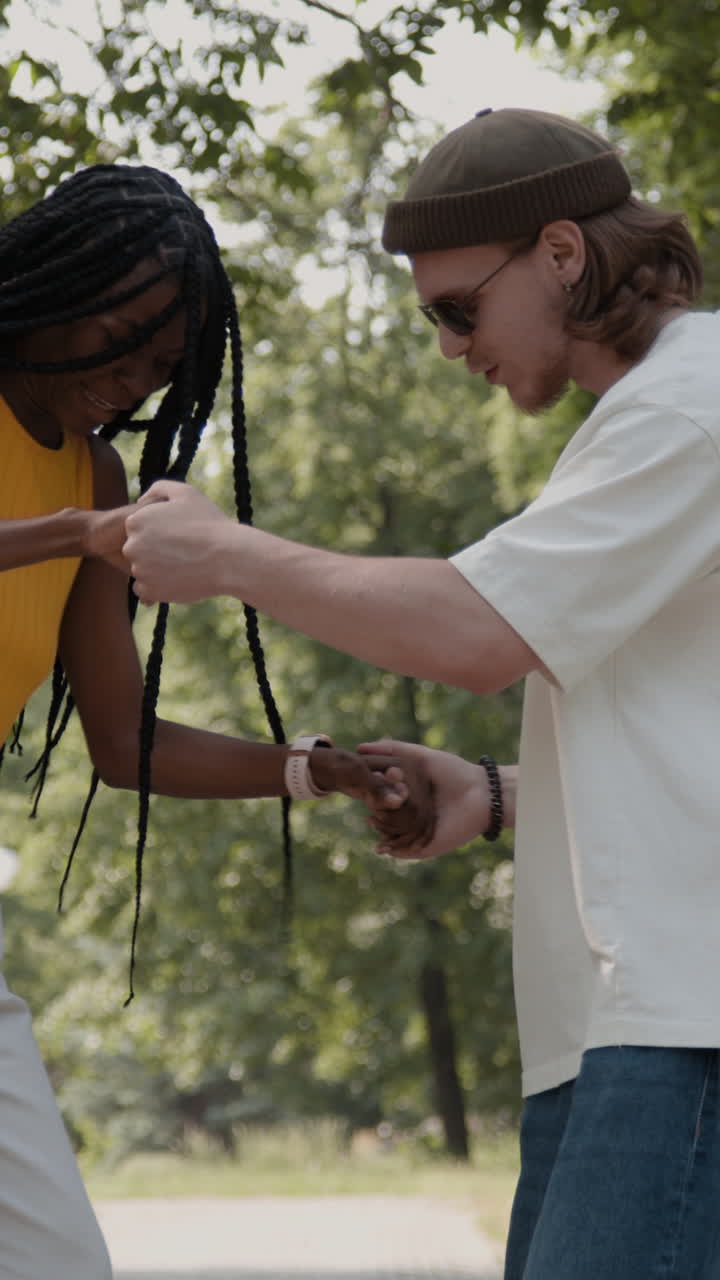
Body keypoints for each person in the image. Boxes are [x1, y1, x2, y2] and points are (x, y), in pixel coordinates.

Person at [119, 105, 720, 1278]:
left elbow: (476, 630)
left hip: (685, 1025)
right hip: (628, 1029)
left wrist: (229, 554)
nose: (450, 347)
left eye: (458, 308)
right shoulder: (653, 417)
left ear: (562, 252)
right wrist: (497, 794)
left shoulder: (686, 410)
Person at [0, 161, 434, 1280]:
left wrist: (310, 769)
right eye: (120, 340)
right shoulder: (79, 513)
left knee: (55, 1259)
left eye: (161, 368)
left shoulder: (91, 475)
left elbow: (122, 743)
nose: (130, 382)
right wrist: (67, 534)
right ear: (55, 288)